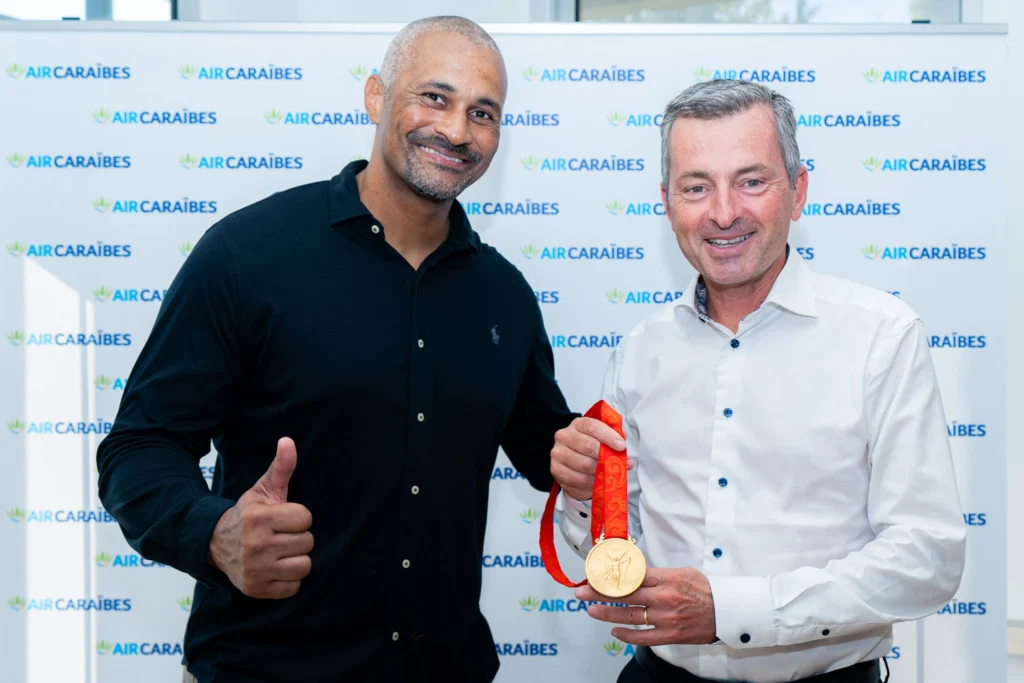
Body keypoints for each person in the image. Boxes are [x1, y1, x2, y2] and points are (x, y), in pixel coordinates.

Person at [96, 16, 578, 683]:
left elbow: (553, 453)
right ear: (377, 97)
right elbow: (138, 448)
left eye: (483, 112)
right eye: (434, 98)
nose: (459, 130)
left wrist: (607, 446)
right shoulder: (248, 255)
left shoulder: (504, 296)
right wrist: (213, 531)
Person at [549, 79, 966, 683]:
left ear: (797, 192)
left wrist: (732, 610)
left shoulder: (882, 336)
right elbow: (611, 554)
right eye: (697, 187)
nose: (723, 213)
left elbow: (927, 557)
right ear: (667, 202)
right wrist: (586, 495)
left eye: (751, 181)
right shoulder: (643, 349)